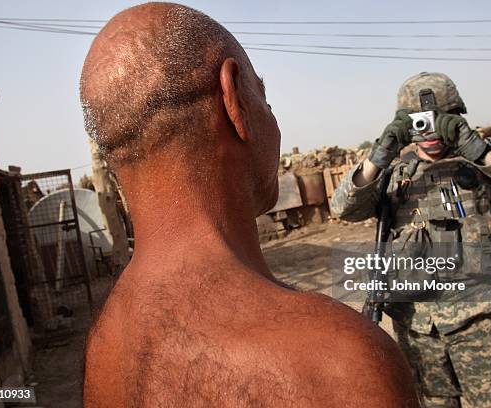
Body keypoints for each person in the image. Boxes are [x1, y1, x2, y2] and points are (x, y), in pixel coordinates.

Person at [80, 3, 418, 407]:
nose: (273, 120)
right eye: (265, 99)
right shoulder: (336, 361)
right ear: (233, 98)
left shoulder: (104, 345)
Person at [331, 72, 491, 407]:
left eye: (437, 120)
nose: (428, 132)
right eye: (418, 123)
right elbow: (343, 208)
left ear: (455, 115)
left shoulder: (483, 160)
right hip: (416, 322)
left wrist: (477, 149)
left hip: (481, 318)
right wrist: (378, 156)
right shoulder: (392, 172)